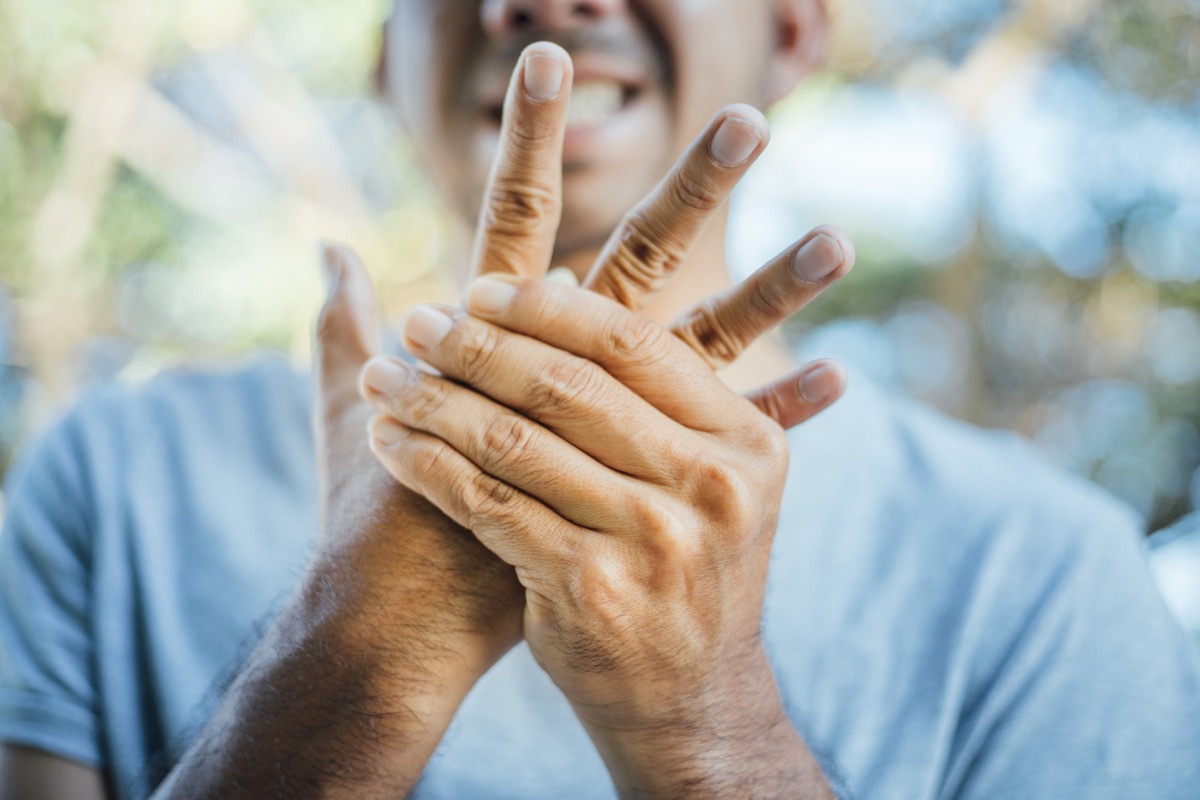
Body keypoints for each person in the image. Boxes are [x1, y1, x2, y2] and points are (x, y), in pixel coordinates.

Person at [1, 1, 1199, 798]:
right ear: (384, 55)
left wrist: (704, 724)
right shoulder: (111, 478)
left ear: (791, 30)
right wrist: (356, 649)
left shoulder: (1049, 571)